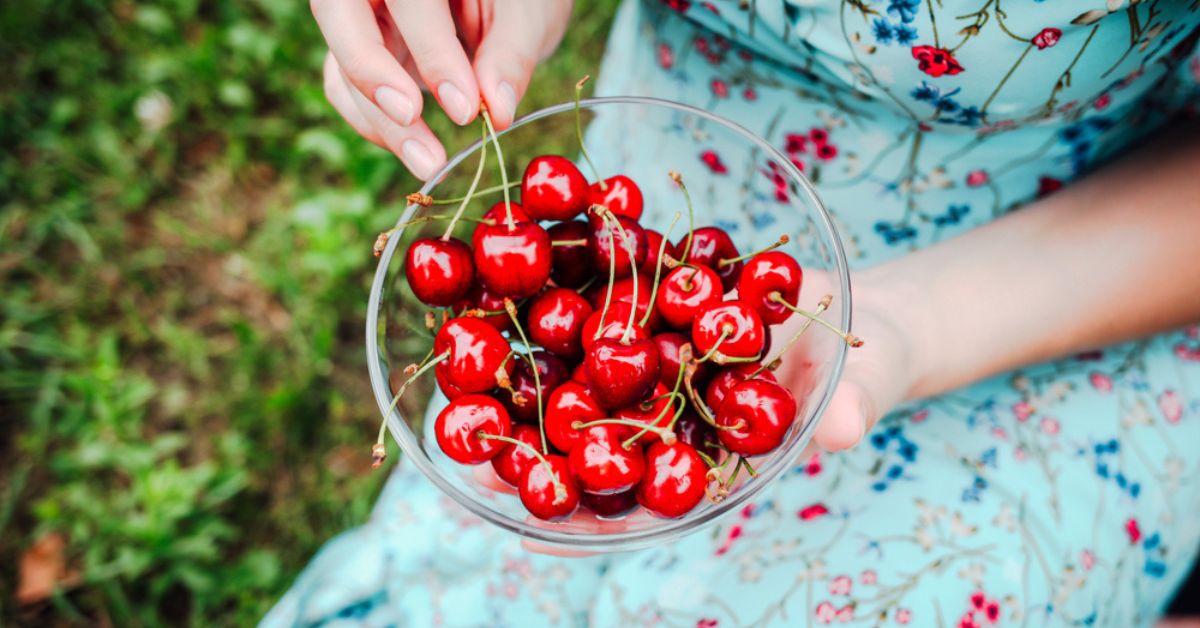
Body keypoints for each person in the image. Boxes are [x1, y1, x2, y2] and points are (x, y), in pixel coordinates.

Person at [265, 1, 1200, 625]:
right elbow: (576, 331)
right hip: (659, 216)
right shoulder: (585, 282)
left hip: (1071, 276)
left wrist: (908, 320)